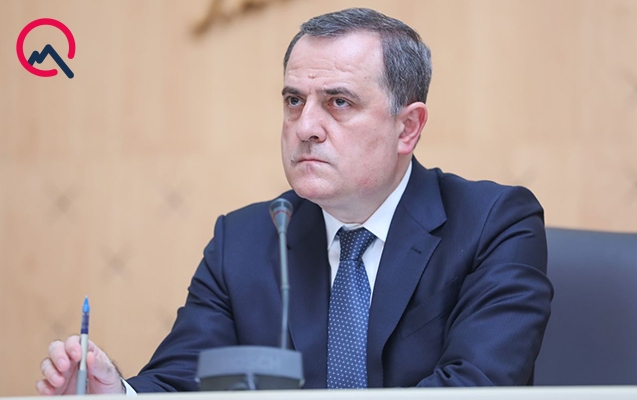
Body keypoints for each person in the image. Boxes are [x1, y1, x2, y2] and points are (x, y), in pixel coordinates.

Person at [36, 7, 553, 394]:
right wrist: (117, 395)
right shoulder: (245, 241)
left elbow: (477, 386)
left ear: (408, 128)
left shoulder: (493, 224)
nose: (305, 127)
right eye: (293, 101)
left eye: (338, 102)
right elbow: (180, 382)